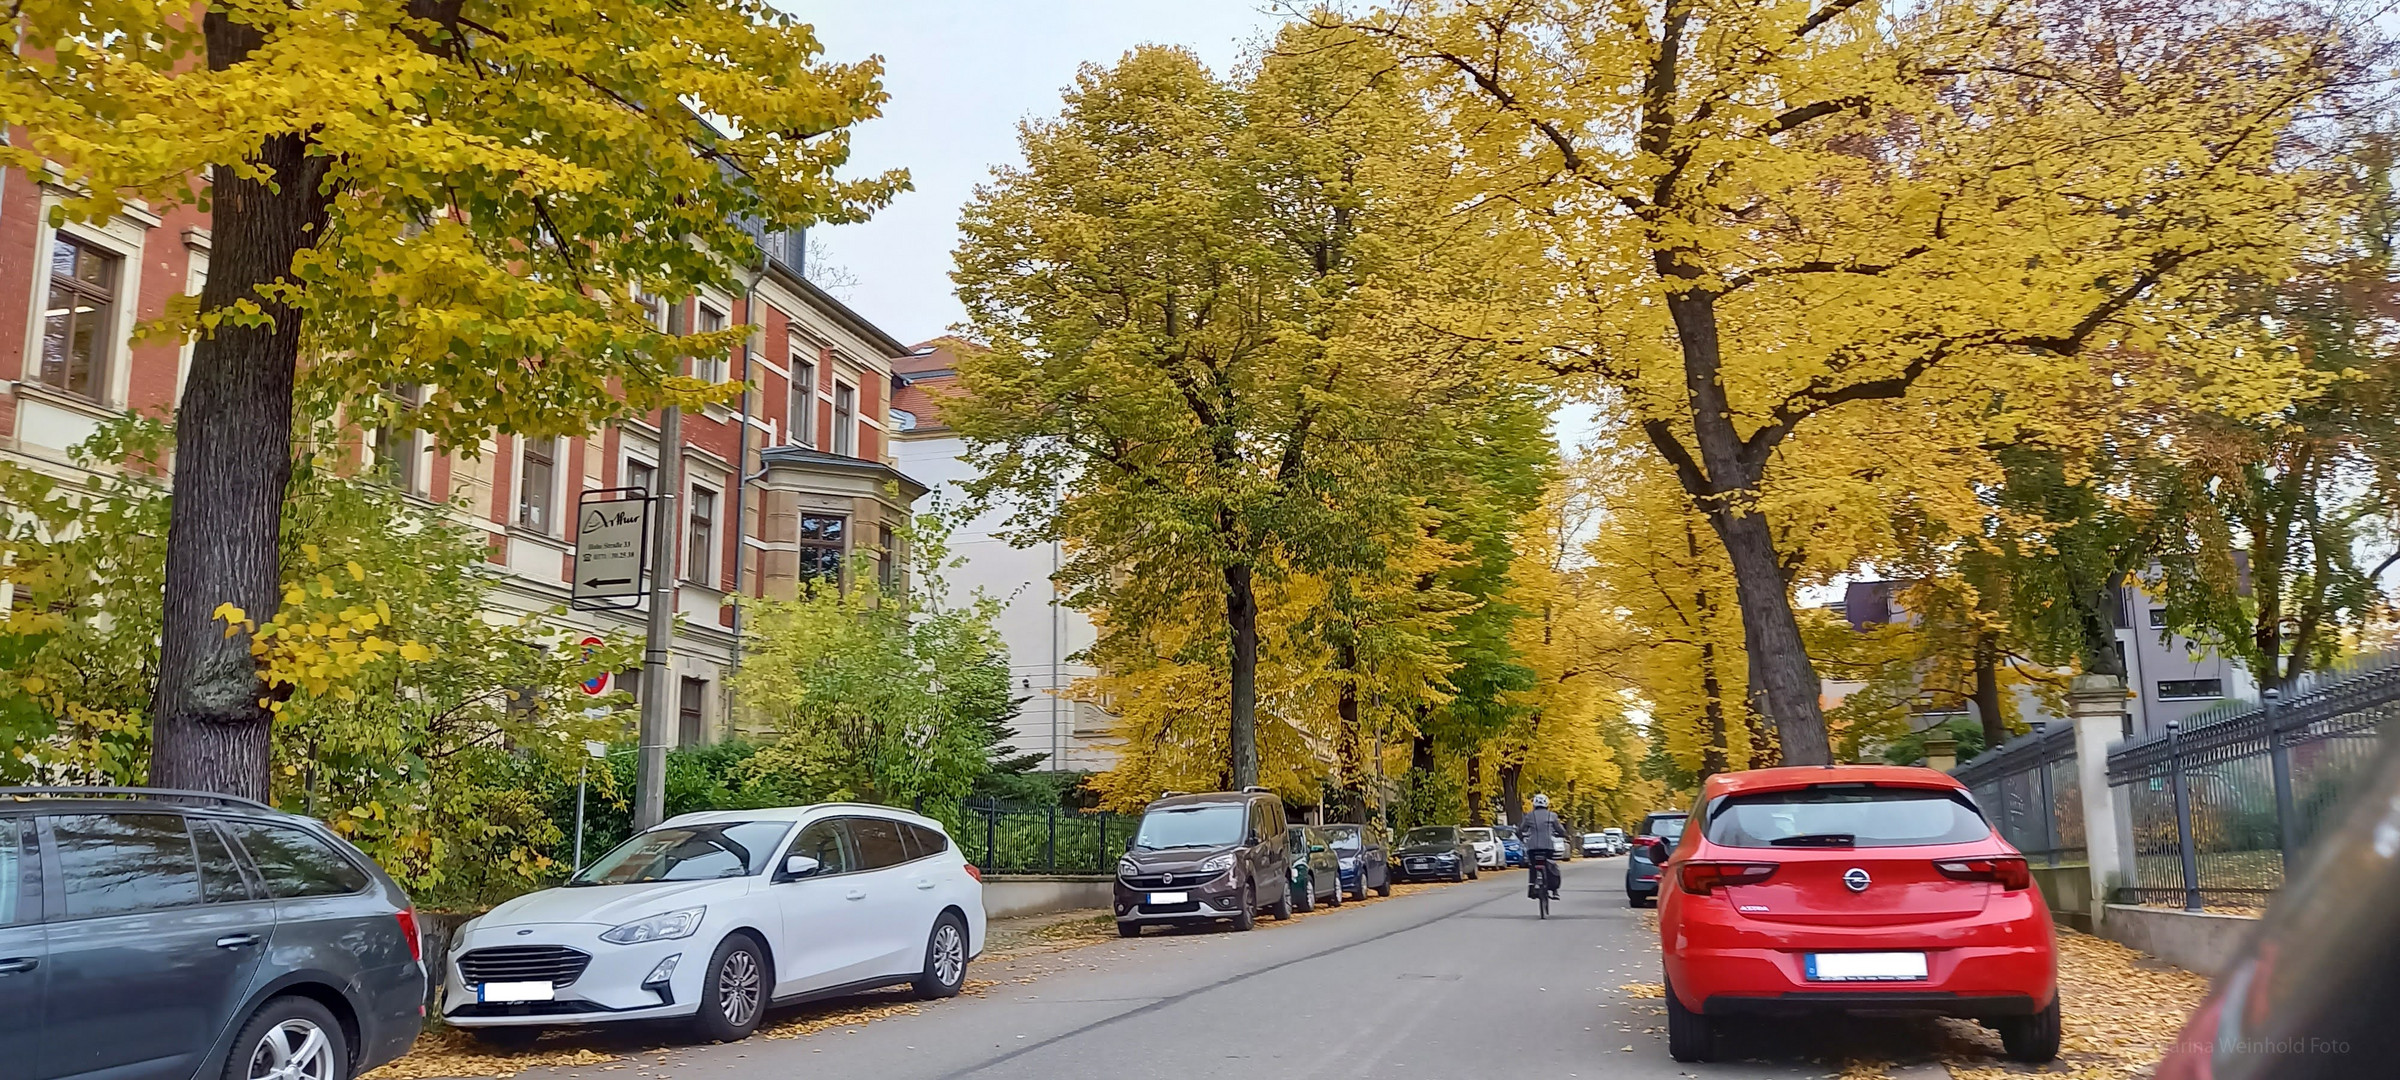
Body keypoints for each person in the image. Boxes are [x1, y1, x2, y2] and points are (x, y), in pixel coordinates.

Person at [1520, 794, 1565, 899]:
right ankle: (1554, 890)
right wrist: (1564, 834)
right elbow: (1560, 829)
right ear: (1547, 804)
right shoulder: (1552, 816)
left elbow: (1521, 829)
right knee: (1550, 865)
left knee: (1532, 866)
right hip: (1548, 846)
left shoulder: (1529, 816)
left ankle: (1532, 886)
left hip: (1533, 848)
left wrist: (1521, 837)